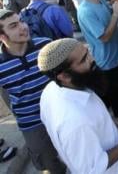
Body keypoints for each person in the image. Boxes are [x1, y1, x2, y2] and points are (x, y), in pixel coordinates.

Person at [38, 38, 118, 173]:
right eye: (83, 60)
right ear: (64, 76)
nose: (92, 60)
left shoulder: (52, 89)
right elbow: (94, 168)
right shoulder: (74, 123)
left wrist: (106, 121)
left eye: (88, 53)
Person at [0, 9, 66, 173]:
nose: (23, 27)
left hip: (61, 112)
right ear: (2, 36)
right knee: (50, 164)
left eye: (21, 21)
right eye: (14, 26)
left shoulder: (45, 45)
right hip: (31, 122)